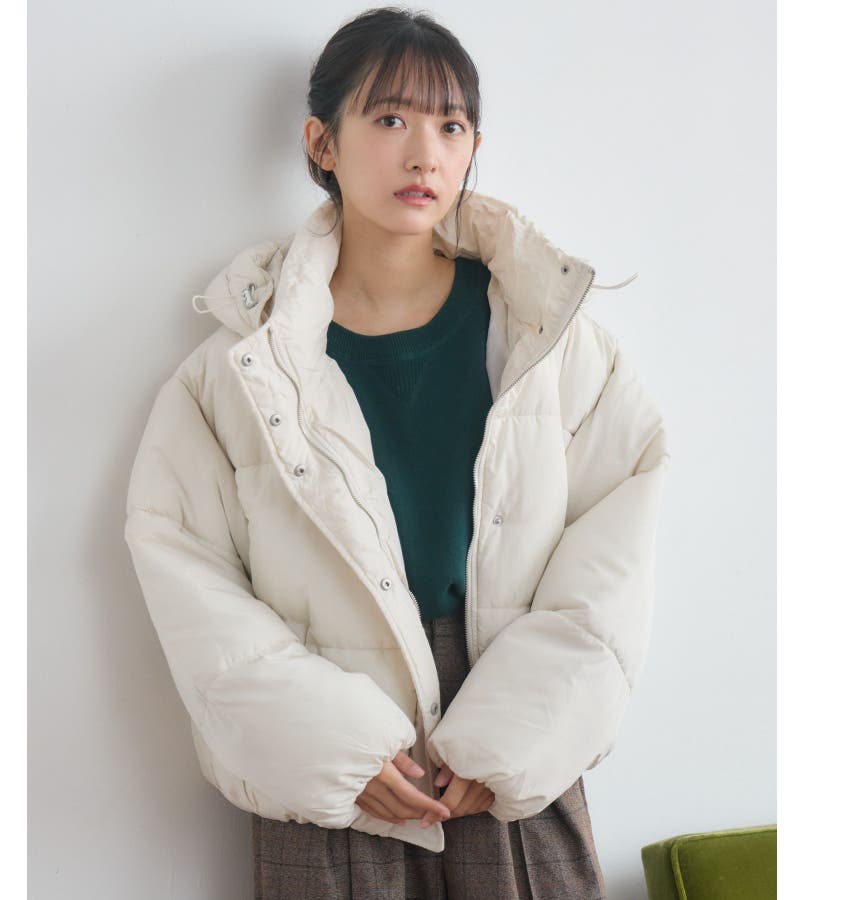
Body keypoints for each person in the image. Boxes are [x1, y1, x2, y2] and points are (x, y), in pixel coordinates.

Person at [124, 6, 670, 898]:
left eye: (450, 127)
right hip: (334, 770)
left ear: (473, 145)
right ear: (322, 143)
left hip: (509, 747)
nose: (425, 155)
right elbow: (182, 561)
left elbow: (615, 548)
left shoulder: (548, 336)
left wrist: (511, 737)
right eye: (389, 119)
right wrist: (332, 746)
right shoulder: (240, 367)